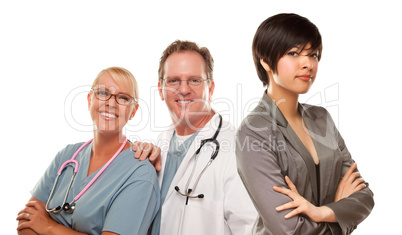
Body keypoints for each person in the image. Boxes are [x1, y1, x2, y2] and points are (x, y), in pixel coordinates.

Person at [236, 13, 374, 235]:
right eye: (293, 53)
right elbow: (287, 228)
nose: (308, 64)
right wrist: (340, 216)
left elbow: (365, 196)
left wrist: (321, 212)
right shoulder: (254, 131)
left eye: (313, 55)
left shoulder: (322, 118)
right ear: (265, 61)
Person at [16, 67, 160, 235]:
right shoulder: (67, 156)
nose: (111, 103)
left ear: (133, 111)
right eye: (103, 93)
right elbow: (26, 222)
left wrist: (48, 227)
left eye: (123, 98)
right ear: (89, 99)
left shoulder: (140, 173)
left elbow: (38, 223)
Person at [150, 40, 257, 235]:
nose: (183, 90)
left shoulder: (237, 148)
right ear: (160, 89)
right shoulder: (160, 143)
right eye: (174, 80)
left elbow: (250, 228)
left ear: (211, 88)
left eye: (194, 80)